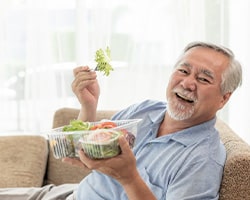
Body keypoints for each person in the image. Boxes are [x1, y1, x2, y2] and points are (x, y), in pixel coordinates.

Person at [0, 41, 242, 200]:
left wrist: (129, 177)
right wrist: (88, 105)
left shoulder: (203, 160)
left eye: (204, 79)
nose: (188, 83)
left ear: (224, 98)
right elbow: (84, 152)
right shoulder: (145, 110)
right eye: (183, 70)